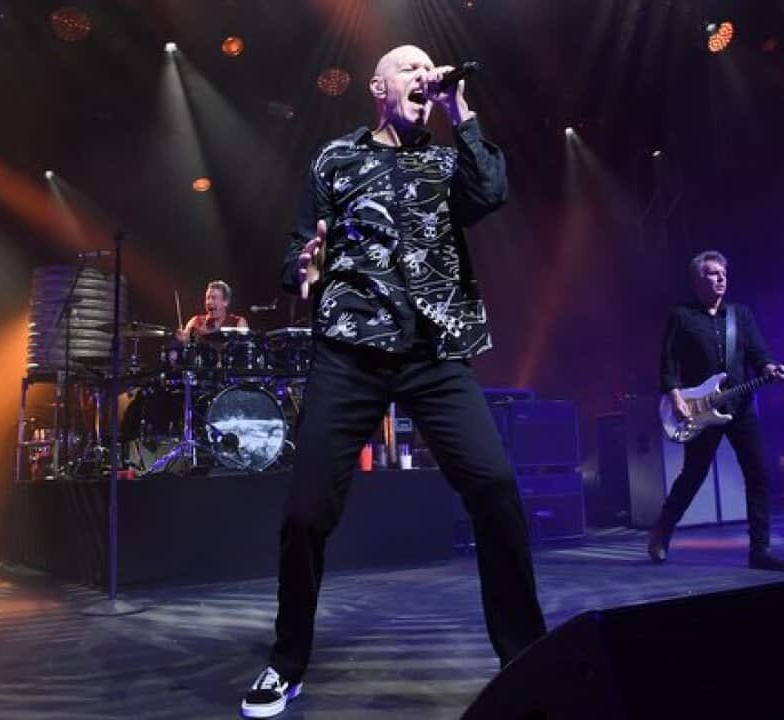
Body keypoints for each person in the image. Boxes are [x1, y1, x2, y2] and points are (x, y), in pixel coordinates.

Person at [240, 45, 547, 718]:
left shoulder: (445, 158)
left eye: (427, 68)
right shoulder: (334, 158)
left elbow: (491, 191)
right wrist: (306, 268)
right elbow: (295, 253)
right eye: (408, 68)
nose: (422, 75)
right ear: (378, 87)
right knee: (305, 515)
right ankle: (286, 663)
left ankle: (526, 659)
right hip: (349, 351)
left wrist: (458, 106)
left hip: (435, 351)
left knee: (494, 488)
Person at [648, 250, 784, 572]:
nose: (721, 278)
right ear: (697, 280)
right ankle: (662, 532)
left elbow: (758, 352)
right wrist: (676, 397)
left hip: (740, 408)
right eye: (713, 274)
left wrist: (771, 367)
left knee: (757, 474)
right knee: (692, 476)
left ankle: (760, 550)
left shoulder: (740, 315)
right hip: (700, 410)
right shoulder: (682, 316)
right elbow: (668, 362)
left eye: (723, 273)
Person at [174, 280, 248, 342]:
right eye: (207, 298)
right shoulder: (195, 322)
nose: (209, 302)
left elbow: (245, 350)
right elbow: (186, 348)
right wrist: (183, 340)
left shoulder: (238, 322)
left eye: (214, 298)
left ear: (225, 301)